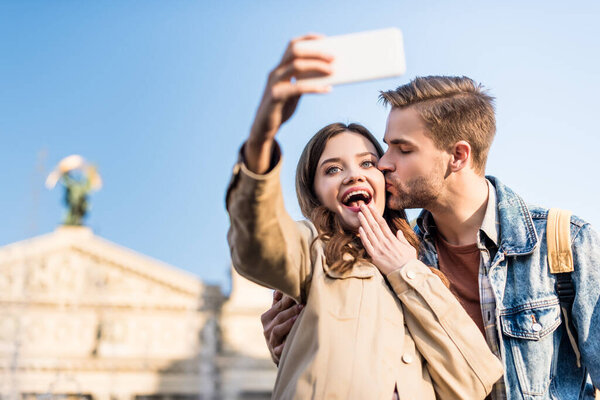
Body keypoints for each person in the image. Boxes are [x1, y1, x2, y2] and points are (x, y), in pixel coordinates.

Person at [262, 75, 600, 399]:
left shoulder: (563, 243)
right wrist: (304, 338)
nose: (383, 162)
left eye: (402, 150)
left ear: (458, 156)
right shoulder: (391, 252)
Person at [226, 35, 503, 399]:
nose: (353, 175)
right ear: (316, 194)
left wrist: (406, 272)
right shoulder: (313, 253)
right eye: (332, 169)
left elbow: (474, 380)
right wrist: (262, 137)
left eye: (368, 163)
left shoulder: (424, 263)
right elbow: (257, 244)